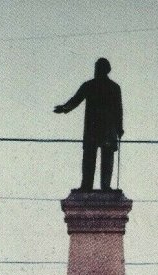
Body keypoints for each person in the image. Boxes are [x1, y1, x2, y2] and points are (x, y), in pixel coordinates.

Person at [54, 57, 123, 191]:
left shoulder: (111, 87)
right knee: (91, 157)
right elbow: (76, 99)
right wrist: (64, 108)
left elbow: (118, 109)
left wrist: (119, 127)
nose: (96, 70)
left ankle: (104, 186)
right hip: (97, 128)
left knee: (103, 157)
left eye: (98, 67)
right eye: (96, 67)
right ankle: (89, 185)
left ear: (105, 70)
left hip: (103, 128)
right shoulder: (92, 85)